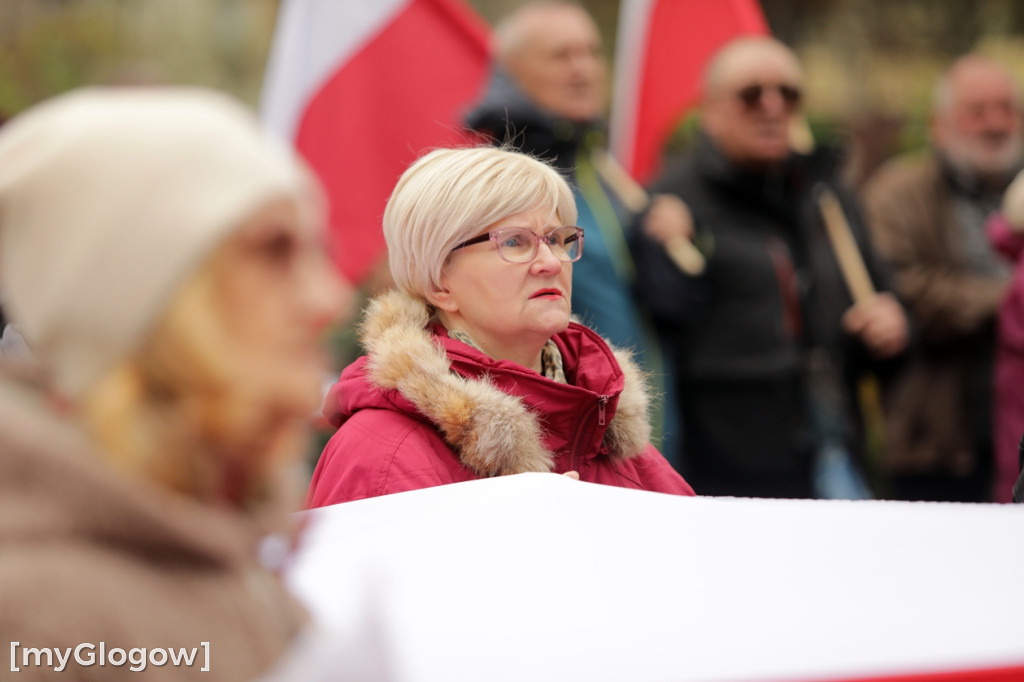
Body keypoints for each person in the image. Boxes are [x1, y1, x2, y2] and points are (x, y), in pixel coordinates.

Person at [0, 87, 376, 680]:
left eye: (315, 250)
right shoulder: (35, 621)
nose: (328, 297)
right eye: (275, 249)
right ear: (142, 296)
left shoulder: (226, 542)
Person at [305, 146, 695, 506]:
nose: (551, 262)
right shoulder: (381, 454)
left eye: (558, 239)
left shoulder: (602, 425)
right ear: (440, 283)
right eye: (514, 242)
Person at [632, 36, 909, 499]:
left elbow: (884, 299)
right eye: (751, 94)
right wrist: (673, 248)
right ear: (712, 111)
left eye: (789, 93)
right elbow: (659, 327)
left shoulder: (826, 194)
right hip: (729, 472)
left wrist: (894, 328)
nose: (773, 106)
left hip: (837, 448)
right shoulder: (671, 201)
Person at [463, 1, 682, 465]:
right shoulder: (491, 181)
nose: (582, 69)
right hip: (563, 449)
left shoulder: (601, 167)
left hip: (645, 439)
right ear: (513, 69)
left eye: (590, 53)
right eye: (562, 55)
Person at [861, 54, 1022, 502]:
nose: (996, 123)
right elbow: (909, 291)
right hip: (935, 440)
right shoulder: (896, 193)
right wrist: (1012, 299)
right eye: (977, 111)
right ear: (939, 125)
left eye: (1007, 108)